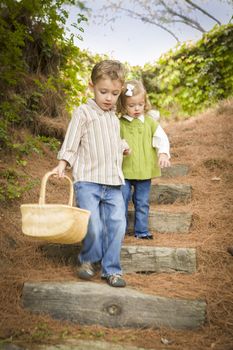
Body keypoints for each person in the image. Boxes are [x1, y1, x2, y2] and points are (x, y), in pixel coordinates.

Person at [52, 60, 130, 287]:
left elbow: (111, 141)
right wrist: (63, 163)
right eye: (103, 91)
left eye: (114, 93)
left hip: (113, 182)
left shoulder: (113, 118)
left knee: (117, 225)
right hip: (88, 181)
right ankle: (88, 260)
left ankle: (112, 270)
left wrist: (123, 146)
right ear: (91, 86)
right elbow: (72, 140)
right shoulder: (83, 112)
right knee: (93, 224)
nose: (108, 98)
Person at [117, 79, 171, 239]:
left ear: (144, 103)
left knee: (142, 202)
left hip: (144, 172)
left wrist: (163, 153)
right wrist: (121, 148)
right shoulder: (119, 124)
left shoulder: (150, 122)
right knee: (121, 201)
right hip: (124, 171)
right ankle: (120, 230)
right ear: (122, 105)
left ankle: (141, 231)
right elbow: (114, 141)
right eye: (131, 105)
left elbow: (161, 138)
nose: (136, 109)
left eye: (140, 104)